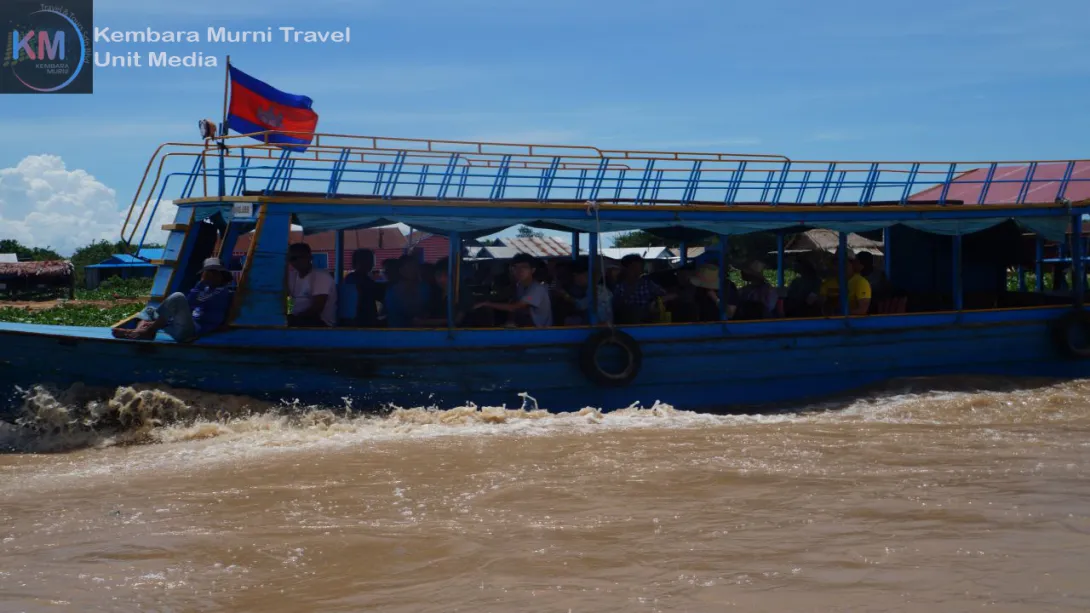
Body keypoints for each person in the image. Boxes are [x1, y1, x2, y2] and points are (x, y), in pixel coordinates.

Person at [112, 258, 234, 342]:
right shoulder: (206, 289)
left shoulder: (221, 291)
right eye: (209, 273)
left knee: (178, 297)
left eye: (215, 273)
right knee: (150, 310)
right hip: (182, 326)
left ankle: (148, 330)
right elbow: (190, 307)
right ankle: (140, 332)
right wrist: (166, 321)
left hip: (191, 332)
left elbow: (189, 302)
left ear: (222, 275)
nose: (211, 276)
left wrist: (201, 283)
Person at [474, 253, 553, 327]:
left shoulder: (537, 289)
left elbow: (514, 307)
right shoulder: (520, 286)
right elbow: (508, 300)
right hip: (524, 326)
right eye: (515, 267)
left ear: (532, 270)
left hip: (539, 331)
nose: (519, 271)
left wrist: (486, 303)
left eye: (524, 267)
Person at [287, 242, 337, 327]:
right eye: (293, 258)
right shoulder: (292, 276)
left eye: (301, 257)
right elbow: (290, 300)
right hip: (298, 320)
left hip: (321, 322)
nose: (297, 261)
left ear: (309, 257)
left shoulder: (321, 276)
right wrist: (289, 314)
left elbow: (317, 309)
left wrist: (294, 319)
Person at [417, 256, 476, 327]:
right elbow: (426, 313)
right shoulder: (435, 293)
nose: (442, 279)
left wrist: (424, 322)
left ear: (455, 275)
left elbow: (456, 321)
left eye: (446, 275)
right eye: (438, 275)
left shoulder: (463, 294)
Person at [613, 254, 671, 324]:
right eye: (633, 267)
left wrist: (655, 303)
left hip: (647, 324)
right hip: (625, 325)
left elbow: (667, 295)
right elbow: (615, 308)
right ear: (625, 269)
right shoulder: (617, 286)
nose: (637, 271)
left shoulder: (647, 284)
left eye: (640, 267)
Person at [384, 255, 432, 327]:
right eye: (409, 266)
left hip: (420, 332)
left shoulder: (425, 287)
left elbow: (427, 310)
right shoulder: (391, 290)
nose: (413, 269)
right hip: (395, 331)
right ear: (401, 270)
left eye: (415, 266)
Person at [820, 248, 872, 316]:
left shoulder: (861, 282)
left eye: (844, 262)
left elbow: (862, 310)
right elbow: (821, 306)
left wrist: (841, 313)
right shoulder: (827, 283)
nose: (839, 265)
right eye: (836, 262)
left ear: (852, 263)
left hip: (854, 324)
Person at [343, 249, 379, 327]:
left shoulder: (351, 278)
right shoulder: (356, 279)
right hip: (361, 321)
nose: (372, 264)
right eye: (369, 261)